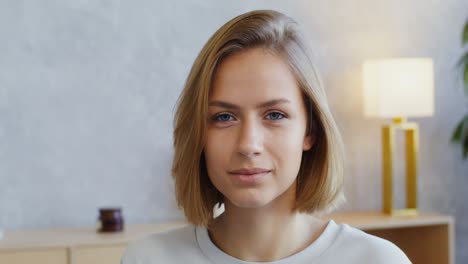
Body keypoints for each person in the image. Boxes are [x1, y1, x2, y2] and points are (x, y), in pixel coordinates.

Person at [121, 9, 411, 264]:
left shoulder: (378, 260)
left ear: (310, 131)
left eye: (274, 115)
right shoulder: (148, 258)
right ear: (199, 135)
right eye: (224, 117)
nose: (248, 144)